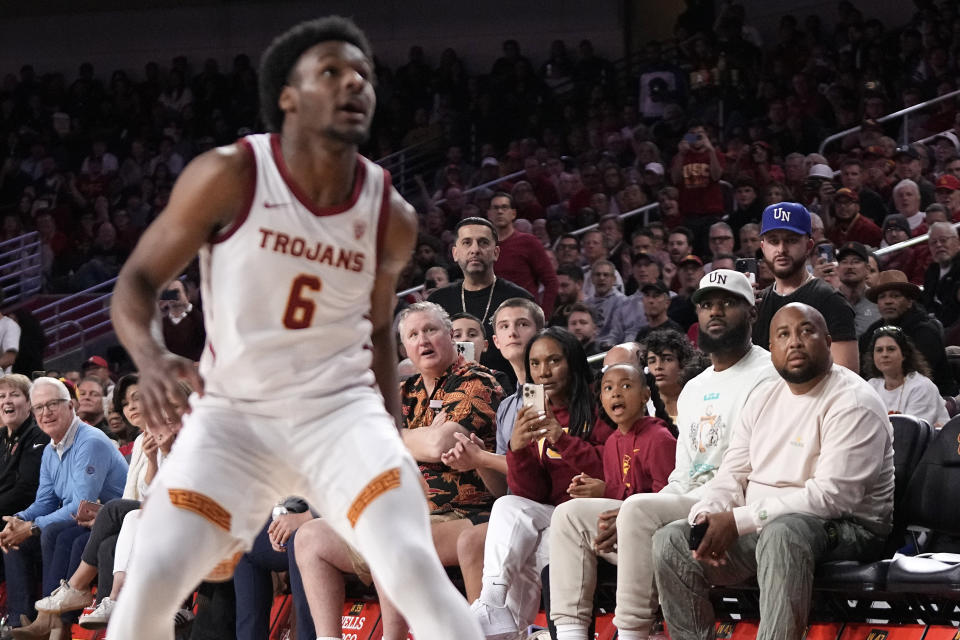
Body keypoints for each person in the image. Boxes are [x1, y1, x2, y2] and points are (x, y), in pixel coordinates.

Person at [106, 17, 484, 640]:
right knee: (153, 576)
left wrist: (387, 432)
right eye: (331, 72)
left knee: (412, 566)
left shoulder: (390, 212)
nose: (353, 83)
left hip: (341, 415)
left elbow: (381, 326)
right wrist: (148, 359)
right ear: (288, 95)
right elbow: (136, 283)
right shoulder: (229, 174)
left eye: (363, 73)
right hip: (236, 415)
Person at [550, 269, 777, 640]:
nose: (714, 312)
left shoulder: (768, 374)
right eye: (706, 305)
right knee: (570, 515)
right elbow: (682, 476)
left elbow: (755, 469)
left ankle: (633, 633)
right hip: (687, 499)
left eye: (727, 303)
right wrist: (628, 513)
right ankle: (572, 634)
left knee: (638, 509)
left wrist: (636, 511)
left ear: (752, 313)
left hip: (735, 502)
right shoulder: (694, 388)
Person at [652, 303, 894, 640]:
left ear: (827, 340)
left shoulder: (853, 400)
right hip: (765, 526)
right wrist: (708, 514)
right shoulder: (763, 396)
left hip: (849, 529)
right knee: (671, 541)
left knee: (783, 533)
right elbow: (732, 473)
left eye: (805, 331)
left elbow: (833, 497)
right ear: (772, 349)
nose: (794, 341)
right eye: (783, 335)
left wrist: (739, 521)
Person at [471, 327, 613, 639]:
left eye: (553, 361)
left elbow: (609, 470)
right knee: (509, 506)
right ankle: (492, 603)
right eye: (535, 364)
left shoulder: (599, 405)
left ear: (573, 362)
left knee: (548, 538)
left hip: (592, 516)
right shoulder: (533, 412)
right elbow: (530, 493)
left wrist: (561, 438)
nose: (543, 372)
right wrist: (518, 450)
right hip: (551, 512)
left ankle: (546, 630)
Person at [0, 377, 127, 633]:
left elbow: (81, 505)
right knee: (17, 539)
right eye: (39, 407)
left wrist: (32, 527)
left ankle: (54, 620)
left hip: (110, 522)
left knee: (53, 532)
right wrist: (16, 520)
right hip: (82, 521)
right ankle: (21, 619)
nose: (45, 413)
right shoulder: (49, 450)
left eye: (53, 404)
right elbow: (44, 501)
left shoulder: (89, 441)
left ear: (71, 406)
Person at [752, 202, 859, 372]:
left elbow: (847, 377)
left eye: (791, 240)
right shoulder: (756, 303)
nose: (781, 249)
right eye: (774, 241)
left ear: (809, 246)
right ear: (763, 247)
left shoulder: (829, 300)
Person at [429, 217, 534, 383]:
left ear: (496, 253)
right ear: (455, 253)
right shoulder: (436, 303)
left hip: (510, 399)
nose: (475, 250)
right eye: (467, 243)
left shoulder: (520, 300)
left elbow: (533, 357)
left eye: (483, 242)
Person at [860, 270, 958, 396]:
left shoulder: (925, 332)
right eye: (882, 296)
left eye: (895, 296)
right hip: (884, 397)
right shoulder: (871, 333)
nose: (888, 301)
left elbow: (918, 376)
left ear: (909, 301)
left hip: (933, 399)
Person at [488, 192, 559, 317]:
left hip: (526, 316)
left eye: (504, 207)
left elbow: (551, 281)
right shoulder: (482, 247)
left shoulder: (529, 242)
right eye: (495, 208)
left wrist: (544, 315)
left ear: (513, 213)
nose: (499, 211)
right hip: (493, 319)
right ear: (489, 214)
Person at [864, 326, 949, 427]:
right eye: (879, 350)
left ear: (904, 354)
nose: (884, 354)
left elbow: (911, 433)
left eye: (891, 349)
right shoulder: (872, 386)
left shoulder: (921, 387)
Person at [0, 375, 49, 518]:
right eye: (2, 396)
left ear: (29, 403)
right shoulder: (1, 436)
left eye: (14, 395)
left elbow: (26, 489)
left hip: (20, 516)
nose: (7, 401)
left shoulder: (40, 436)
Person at [835, 242, 880, 337]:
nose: (849, 266)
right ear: (837, 269)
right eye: (844, 261)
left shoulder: (878, 301)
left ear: (867, 269)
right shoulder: (828, 300)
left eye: (856, 261)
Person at [923, 221, 960, 329]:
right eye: (933, 242)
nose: (938, 245)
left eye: (943, 240)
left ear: (957, 242)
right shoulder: (931, 271)